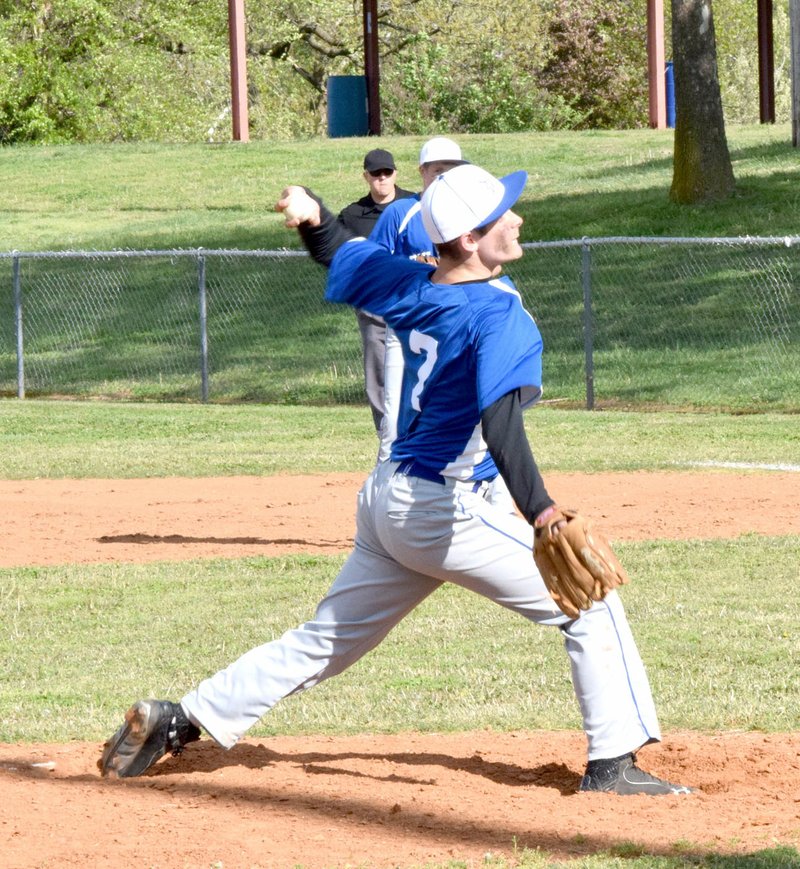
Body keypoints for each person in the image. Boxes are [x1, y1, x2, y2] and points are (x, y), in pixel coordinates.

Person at [99, 164, 695, 796]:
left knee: (324, 641)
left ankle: (180, 720)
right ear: (469, 239)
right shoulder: (498, 316)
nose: (517, 218)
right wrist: (541, 510)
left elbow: (340, 254)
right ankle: (613, 767)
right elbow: (500, 424)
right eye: (502, 214)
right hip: (447, 507)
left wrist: (313, 218)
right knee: (590, 605)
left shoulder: (411, 281)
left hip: (388, 499)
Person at [368, 136, 468, 461]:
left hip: (454, 330)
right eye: (438, 170)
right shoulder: (401, 212)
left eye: (451, 170)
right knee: (396, 415)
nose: (444, 177)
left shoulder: (469, 217)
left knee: (459, 414)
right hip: (406, 331)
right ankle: (385, 488)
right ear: (422, 171)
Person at [338, 148, 415, 434]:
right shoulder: (352, 215)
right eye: (376, 174)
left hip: (416, 301)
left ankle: (421, 434)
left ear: (395, 173)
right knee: (378, 372)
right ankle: (387, 436)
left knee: (421, 367)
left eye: (387, 172)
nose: (382, 178)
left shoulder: (415, 204)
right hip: (375, 305)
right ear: (365, 177)